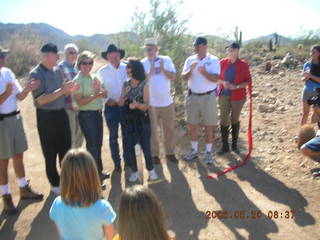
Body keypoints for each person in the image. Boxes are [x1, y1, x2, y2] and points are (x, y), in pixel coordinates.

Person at [0, 46, 43, 214]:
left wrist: (28, 88)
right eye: (0, 56)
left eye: (3, 55)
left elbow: (19, 96)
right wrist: (6, 92)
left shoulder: (8, 72)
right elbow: (7, 95)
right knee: (3, 161)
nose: (2, 59)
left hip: (15, 118)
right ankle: (6, 196)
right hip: (2, 122)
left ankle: (23, 188)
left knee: (19, 155)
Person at [29, 43, 76, 195]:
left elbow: (64, 92)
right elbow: (41, 100)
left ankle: (66, 179)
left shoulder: (58, 71)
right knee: (50, 151)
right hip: (46, 117)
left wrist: (68, 90)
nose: (58, 57)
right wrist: (62, 90)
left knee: (66, 148)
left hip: (61, 114)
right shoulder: (35, 74)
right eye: (56, 55)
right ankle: (55, 183)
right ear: (48, 56)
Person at [49, 148, 116, 240]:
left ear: (64, 177)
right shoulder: (103, 207)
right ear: (93, 175)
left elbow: (61, 234)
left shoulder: (57, 204)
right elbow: (111, 237)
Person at [118, 58, 158, 182]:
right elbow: (120, 102)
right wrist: (122, 100)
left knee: (145, 145)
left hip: (142, 119)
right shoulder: (125, 84)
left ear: (135, 70)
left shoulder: (144, 84)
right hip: (128, 119)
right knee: (131, 146)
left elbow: (146, 105)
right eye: (127, 68)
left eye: (129, 68)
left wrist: (136, 105)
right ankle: (135, 171)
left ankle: (151, 170)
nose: (127, 70)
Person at [181, 36, 220, 164]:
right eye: (195, 46)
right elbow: (184, 77)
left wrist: (203, 72)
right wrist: (190, 71)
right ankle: (194, 151)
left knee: (209, 125)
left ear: (205, 46)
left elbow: (215, 79)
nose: (196, 48)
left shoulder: (213, 60)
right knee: (193, 125)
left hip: (208, 97)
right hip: (193, 97)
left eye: (198, 46)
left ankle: (208, 153)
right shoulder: (190, 60)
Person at [74, 50, 110, 181]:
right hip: (86, 115)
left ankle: (98, 171)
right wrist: (95, 94)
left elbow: (105, 94)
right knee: (92, 146)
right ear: (79, 64)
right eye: (84, 63)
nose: (88, 66)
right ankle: (95, 176)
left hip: (97, 114)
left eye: (90, 63)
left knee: (98, 144)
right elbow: (80, 102)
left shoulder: (96, 76)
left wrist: (99, 90)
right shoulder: (77, 80)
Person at [141, 38, 178, 164]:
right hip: (151, 103)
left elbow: (173, 77)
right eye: (146, 49)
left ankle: (170, 152)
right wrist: (150, 73)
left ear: (156, 49)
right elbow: (140, 82)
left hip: (166, 102)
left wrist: (163, 69)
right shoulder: (142, 63)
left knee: (169, 129)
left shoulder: (166, 60)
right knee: (152, 130)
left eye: (150, 48)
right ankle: (154, 154)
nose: (148, 51)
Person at [98, 44, 130, 172]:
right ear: (107, 57)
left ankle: (128, 159)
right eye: (111, 56)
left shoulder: (127, 68)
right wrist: (107, 100)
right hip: (111, 108)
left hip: (125, 106)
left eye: (116, 55)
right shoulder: (102, 71)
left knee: (127, 134)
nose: (114, 58)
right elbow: (99, 89)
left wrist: (125, 98)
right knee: (113, 137)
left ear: (119, 56)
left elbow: (131, 84)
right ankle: (117, 163)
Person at [217, 42, 251, 154]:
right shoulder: (222, 62)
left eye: (232, 50)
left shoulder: (243, 64)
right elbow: (216, 77)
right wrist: (222, 82)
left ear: (237, 51)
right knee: (223, 119)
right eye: (229, 50)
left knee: (234, 119)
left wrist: (236, 86)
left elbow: (248, 81)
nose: (230, 52)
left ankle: (235, 145)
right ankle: (225, 145)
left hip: (238, 96)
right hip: (224, 95)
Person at [58, 43, 84, 148]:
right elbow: (59, 90)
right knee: (70, 138)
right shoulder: (59, 68)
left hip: (80, 107)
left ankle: (77, 160)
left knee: (80, 137)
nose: (73, 55)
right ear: (65, 54)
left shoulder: (78, 68)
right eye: (71, 53)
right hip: (68, 108)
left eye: (75, 53)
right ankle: (71, 162)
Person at [301, 45, 320, 125]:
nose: (311, 54)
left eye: (314, 52)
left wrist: (310, 76)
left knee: (317, 113)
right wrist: (305, 78)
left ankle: (312, 132)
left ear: (319, 53)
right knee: (305, 113)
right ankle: (301, 134)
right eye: (311, 52)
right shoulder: (307, 64)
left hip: (317, 92)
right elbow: (302, 79)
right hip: (307, 91)